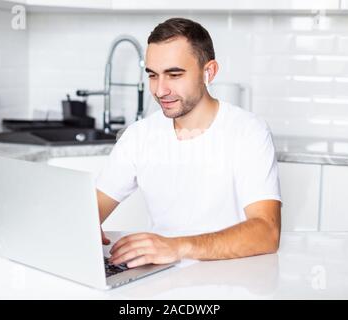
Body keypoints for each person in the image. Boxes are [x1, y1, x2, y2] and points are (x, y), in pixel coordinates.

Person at [96, 17, 281, 268]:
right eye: (153, 75)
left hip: (232, 279)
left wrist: (177, 247)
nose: (160, 90)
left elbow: (267, 233)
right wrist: (84, 228)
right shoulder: (139, 135)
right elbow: (90, 211)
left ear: (209, 72)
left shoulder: (248, 132)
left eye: (174, 74)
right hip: (160, 278)